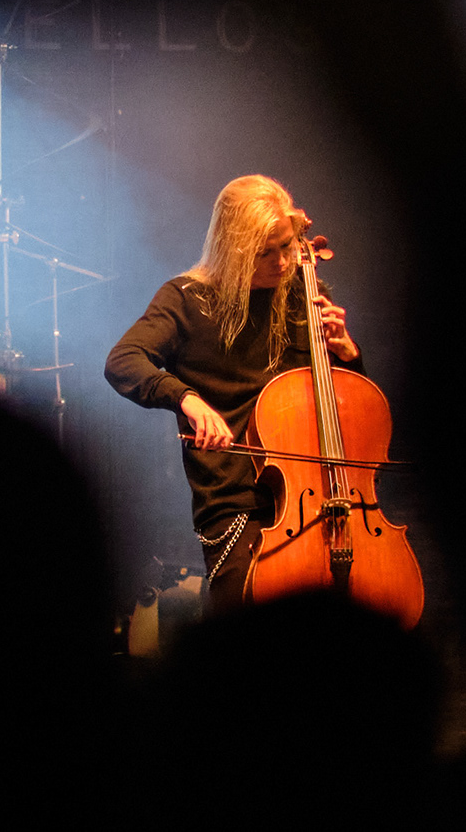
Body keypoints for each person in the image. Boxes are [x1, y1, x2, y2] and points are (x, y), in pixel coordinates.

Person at [105, 175, 360, 610]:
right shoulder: (186, 299)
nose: (283, 262)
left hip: (325, 497)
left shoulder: (304, 292)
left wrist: (348, 356)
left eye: (287, 245)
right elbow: (123, 360)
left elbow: (349, 408)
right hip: (238, 505)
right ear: (233, 250)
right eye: (265, 252)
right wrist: (186, 398)